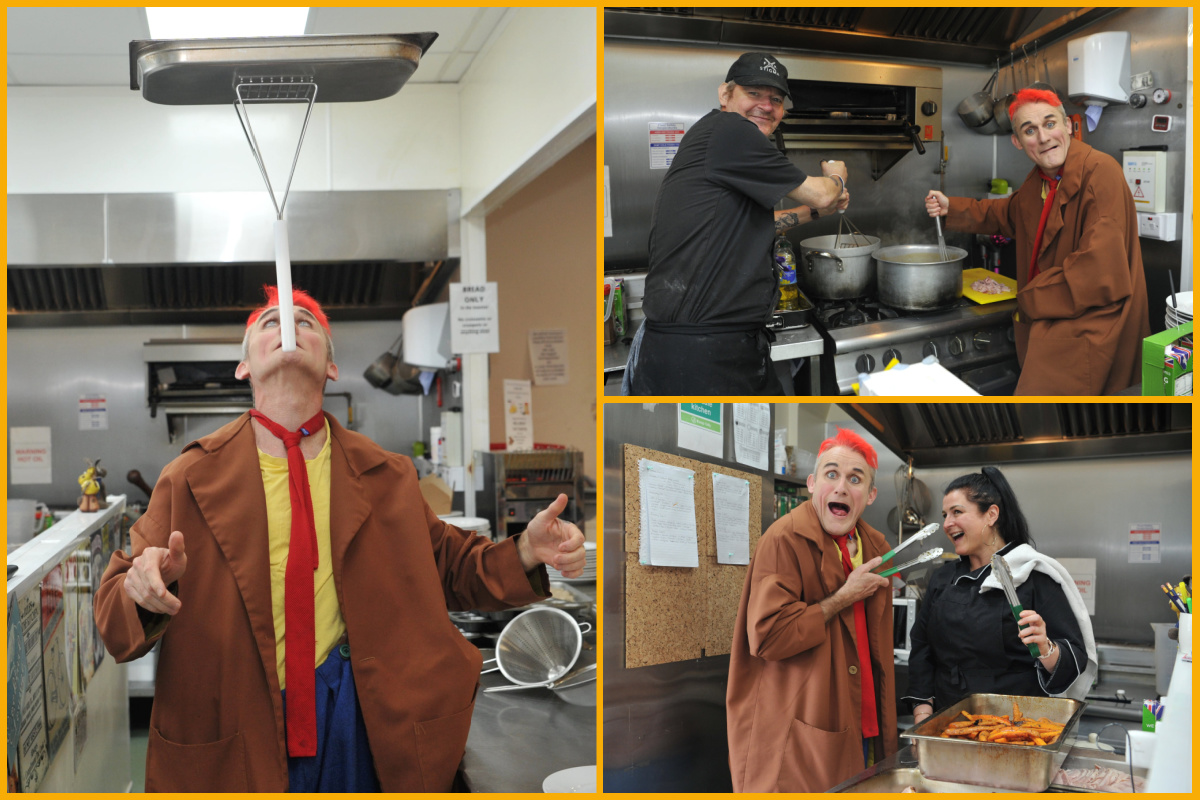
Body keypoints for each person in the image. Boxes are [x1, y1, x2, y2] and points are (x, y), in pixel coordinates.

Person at [94, 286, 586, 792]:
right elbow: (113, 620)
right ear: (243, 367)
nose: (288, 326)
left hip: (360, 720)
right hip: (238, 726)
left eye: (305, 322)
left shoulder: (385, 474)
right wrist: (140, 589)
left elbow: (453, 567)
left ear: (331, 366)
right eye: (270, 322)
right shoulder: (188, 478)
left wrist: (528, 549)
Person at [626, 51, 850, 395]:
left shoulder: (717, 140)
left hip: (711, 346)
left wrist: (819, 213)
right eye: (754, 94)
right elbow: (820, 192)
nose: (766, 105)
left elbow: (752, 225)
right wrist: (836, 176)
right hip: (701, 351)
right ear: (725, 95)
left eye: (776, 99)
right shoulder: (730, 130)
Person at [925, 88, 1150, 395]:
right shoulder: (1040, 180)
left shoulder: (1101, 172)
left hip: (1092, 328)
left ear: (1068, 125)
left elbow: (1098, 272)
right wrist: (953, 206)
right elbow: (1007, 211)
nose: (1043, 138)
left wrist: (1027, 297)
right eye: (1030, 130)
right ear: (1017, 142)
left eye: (1049, 123)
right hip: (1054, 317)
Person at [727, 428, 895, 792]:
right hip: (803, 732)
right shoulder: (783, 539)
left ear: (870, 495)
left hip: (865, 729)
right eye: (831, 474)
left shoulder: (875, 547)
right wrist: (843, 596)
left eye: (855, 479)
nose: (840, 487)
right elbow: (769, 637)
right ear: (811, 483)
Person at [906, 467, 1095, 725]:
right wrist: (923, 712)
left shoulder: (1033, 575)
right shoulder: (943, 579)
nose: (947, 523)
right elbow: (922, 647)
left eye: (957, 512)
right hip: (949, 723)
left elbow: (1075, 658)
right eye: (945, 515)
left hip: (1016, 729)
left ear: (991, 515)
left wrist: (1046, 648)